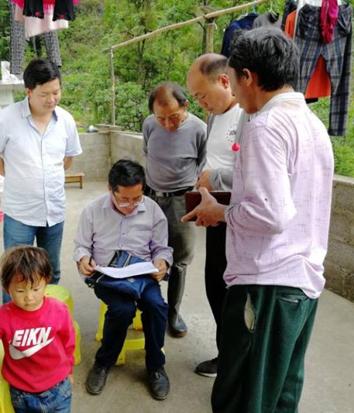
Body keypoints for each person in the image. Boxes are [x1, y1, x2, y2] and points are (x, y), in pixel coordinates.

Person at [182, 28, 334, 413]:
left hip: (266, 285)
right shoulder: (313, 125)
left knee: (242, 395)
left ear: (246, 77)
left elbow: (271, 213)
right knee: (280, 392)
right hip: (301, 282)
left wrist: (220, 211)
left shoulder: (264, 127)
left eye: (232, 79)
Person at [0, 58, 82, 303]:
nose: (52, 99)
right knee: (16, 274)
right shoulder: (7, 118)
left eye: (56, 92)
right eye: (44, 94)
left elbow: (67, 159)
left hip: (54, 212)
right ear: (28, 92)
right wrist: (18, 176)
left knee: (51, 272)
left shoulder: (66, 121)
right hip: (20, 213)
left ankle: (45, 328)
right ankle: (15, 334)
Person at [74, 159, 172, 400]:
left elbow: (162, 248)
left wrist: (162, 263)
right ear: (110, 189)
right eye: (124, 199)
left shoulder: (152, 210)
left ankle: (155, 366)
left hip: (141, 276)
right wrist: (83, 259)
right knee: (121, 309)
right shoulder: (92, 210)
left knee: (156, 306)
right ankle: (103, 362)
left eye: (137, 198)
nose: (131, 205)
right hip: (107, 276)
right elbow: (81, 246)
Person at [186, 53, 244, 378]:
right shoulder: (215, 116)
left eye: (202, 96)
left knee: (234, 296)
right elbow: (212, 158)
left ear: (225, 81)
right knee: (214, 287)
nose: (201, 104)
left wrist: (214, 177)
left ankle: (236, 364)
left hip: (237, 219)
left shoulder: (247, 117)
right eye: (196, 98)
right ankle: (226, 355)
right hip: (215, 215)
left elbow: (254, 176)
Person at [0, 246, 75, 413]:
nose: (29, 297)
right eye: (20, 290)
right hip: (22, 392)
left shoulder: (59, 310)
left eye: (36, 289)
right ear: (7, 288)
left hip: (59, 387)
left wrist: (69, 369)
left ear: (46, 282)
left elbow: (68, 342)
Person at [142, 82, 207, 338]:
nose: (168, 125)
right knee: (147, 253)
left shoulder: (199, 129)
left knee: (179, 259)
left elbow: (203, 166)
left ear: (186, 106)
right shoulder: (149, 125)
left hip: (183, 200)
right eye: (161, 119)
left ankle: (173, 313)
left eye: (174, 117)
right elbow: (147, 153)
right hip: (151, 198)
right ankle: (150, 307)